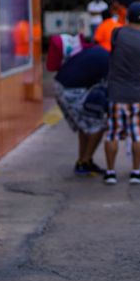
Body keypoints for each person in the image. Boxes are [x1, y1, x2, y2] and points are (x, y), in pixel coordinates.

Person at [103, 1, 140, 185]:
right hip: (139, 95)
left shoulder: (117, 34)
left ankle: (110, 172)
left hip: (116, 93)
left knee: (112, 134)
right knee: (138, 135)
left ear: (127, 18)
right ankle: (136, 172)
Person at [46, 33, 109, 175]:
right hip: (69, 90)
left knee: (86, 125)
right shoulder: (110, 63)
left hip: (62, 85)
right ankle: (85, 163)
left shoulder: (101, 52)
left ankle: (83, 160)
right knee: (98, 125)